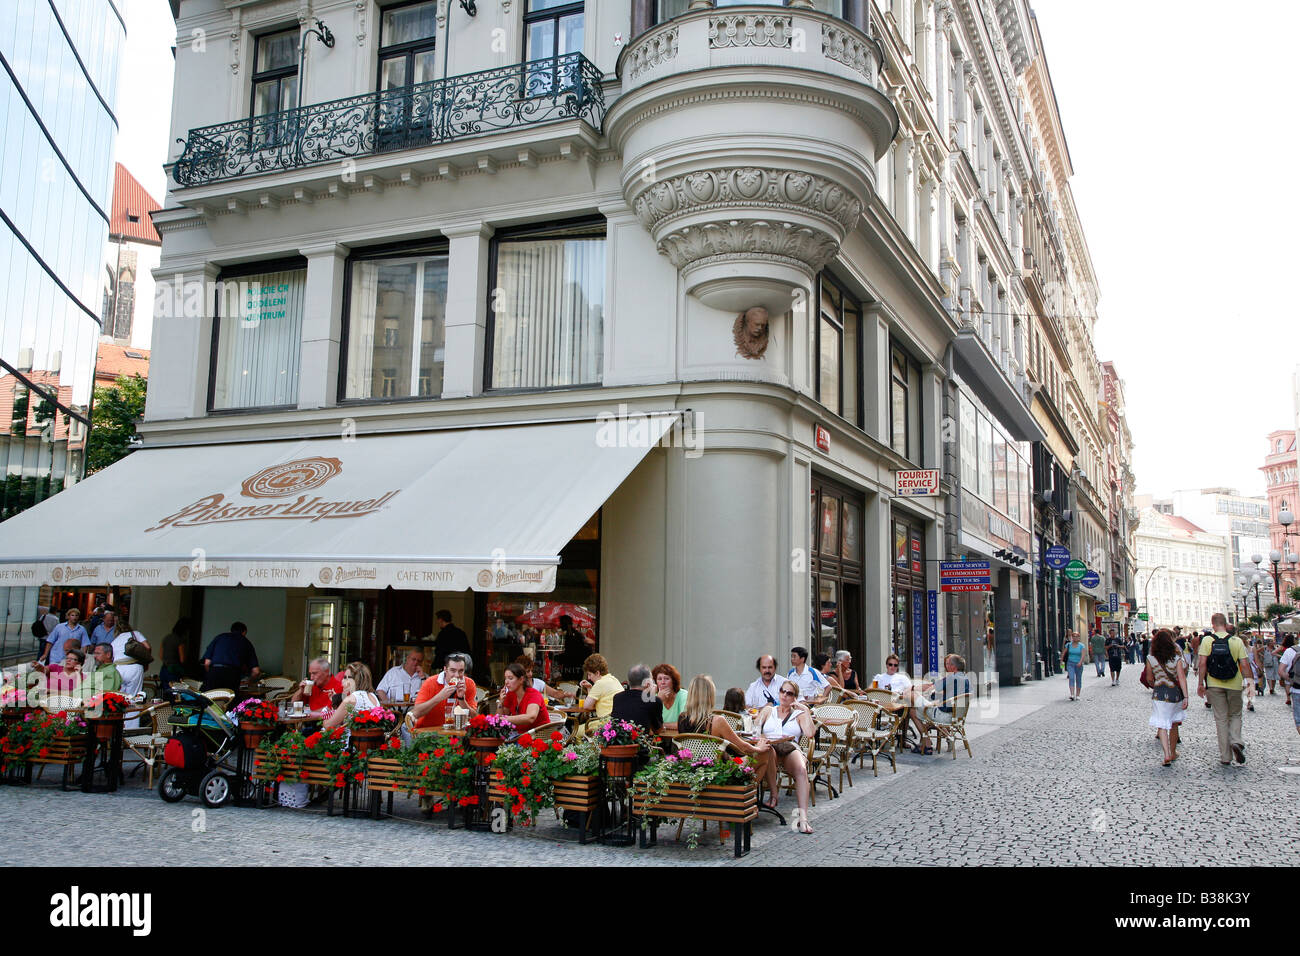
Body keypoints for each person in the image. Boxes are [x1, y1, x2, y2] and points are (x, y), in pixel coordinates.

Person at [675, 674, 770, 780]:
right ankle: (747, 792)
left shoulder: (681, 718)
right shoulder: (717, 721)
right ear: (710, 696)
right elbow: (742, 747)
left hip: (693, 770)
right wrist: (759, 748)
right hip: (719, 772)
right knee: (765, 753)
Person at [755, 679, 815, 833]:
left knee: (801, 770)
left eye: (789, 693)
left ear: (794, 697)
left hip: (790, 746)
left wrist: (806, 710)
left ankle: (803, 819)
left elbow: (809, 733)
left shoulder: (799, 714)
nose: (785, 695)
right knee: (767, 751)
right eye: (783, 691)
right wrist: (762, 735)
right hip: (770, 747)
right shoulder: (769, 710)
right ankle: (774, 795)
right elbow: (755, 728)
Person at [1197, 613, 1250, 766]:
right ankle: (1236, 740)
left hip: (1214, 684)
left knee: (1221, 719)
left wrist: (1201, 683)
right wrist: (1250, 681)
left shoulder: (1207, 640)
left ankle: (1226, 757)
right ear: (1226, 624)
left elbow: (1202, 664)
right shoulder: (1236, 641)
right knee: (1235, 714)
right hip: (1234, 683)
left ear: (1213, 624)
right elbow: (1245, 664)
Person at [908, 654, 971, 751]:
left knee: (912, 704)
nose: (946, 666)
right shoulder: (965, 679)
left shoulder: (951, 677)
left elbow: (932, 687)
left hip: (944, 716)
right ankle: (934, 739)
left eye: (948, 664)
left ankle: (927, 745)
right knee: (921, 711)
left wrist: (913, 688)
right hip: (957, 717)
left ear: (953, 666)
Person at [1144, 629, 1188, 767]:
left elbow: (1149, 678)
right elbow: (1182, 678)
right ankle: (1173, 752)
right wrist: (1186, 696)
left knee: (1162, 724)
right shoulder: (1176, 659)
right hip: (1174, 694)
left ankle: (1166, 753)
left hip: (1159, 694)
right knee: (1174, 724)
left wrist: (1156, 684)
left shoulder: (1151, 659)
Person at [411, 653, 478, 730]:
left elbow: (474, 718)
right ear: (445, 669)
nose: (457, 675)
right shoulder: (430, 682)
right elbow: (416, 713)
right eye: (453, 670)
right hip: (429, 732)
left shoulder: (469, 683)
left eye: (461, 671)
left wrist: (461, 699)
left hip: (457, 733)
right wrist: (439, 697)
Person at [110, 611, 149, 727]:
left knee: (120, 698)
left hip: (118, 669)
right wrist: (146, 662)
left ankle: (119, 728)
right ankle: (131, 729)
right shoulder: (135, 634)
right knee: (134, 699)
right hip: (134, 667)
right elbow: (147, 647)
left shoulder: (114, 641)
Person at [200, 622, 260, 692]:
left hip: (214, 672)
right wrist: (248, 681)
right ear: (244, 632)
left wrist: (211, 674)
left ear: (231, 630)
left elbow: (207, 663)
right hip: (233, 675)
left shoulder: (219, 637)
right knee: (230, 700)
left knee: (208, 698)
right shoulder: (246, 642)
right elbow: (256, 671)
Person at [323, 664, 380, 731]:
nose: (342, 681)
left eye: (345, 678)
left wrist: (324, 721)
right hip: (371, 739)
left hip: (350, 739)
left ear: (355, 679)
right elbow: (356, 707)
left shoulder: (350, 699)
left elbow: (329, 725)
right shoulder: (373, 696)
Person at [497, 661, 551, 732]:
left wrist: (504, 719)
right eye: (505, 678)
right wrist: (500, 703)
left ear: (521, 679)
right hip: (519, 735)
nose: (506, 682)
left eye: (510, 678)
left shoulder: (533, 694)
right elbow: (500, 718)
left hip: (539, 736)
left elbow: (530, 718)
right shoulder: (511, 694)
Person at [609, 664, 663, 731]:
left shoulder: (617, 698)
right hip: (641, 741)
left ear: (628, 681)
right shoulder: (654, 701)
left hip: (619, 740)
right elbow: (657, 730)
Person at [577, 654, 623, 724]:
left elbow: (587, 706)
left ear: (597, 673)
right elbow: (592, 704)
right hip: (618, 723)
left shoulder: (600, 683)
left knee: (576, 730)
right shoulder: (614, 679)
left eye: (589, 674)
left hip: (605, 724)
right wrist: (589, 688)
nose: (588, 678)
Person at [557, 614, 595, 681]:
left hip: (573, 667)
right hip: (576, 667)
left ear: (565, 624)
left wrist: (559, 657)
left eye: (561, 623)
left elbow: (572, 653)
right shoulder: (574, 634)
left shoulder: (572, 636)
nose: (560, 625)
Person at [651, 663, 685, 728]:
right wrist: (658, 701)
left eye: (666, 679)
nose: (663, 682)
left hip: (678, 737)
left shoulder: (683, 695)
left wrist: (662, 726)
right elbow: (649, 723)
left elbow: (683, 724)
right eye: (659, 679)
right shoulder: (653, 697)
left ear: (673, 681)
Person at [159, 617, 190, 687]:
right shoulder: (180, 640)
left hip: (164, 669)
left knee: (165, 691)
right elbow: (182, 659)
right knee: (175, 693)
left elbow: (160, 655)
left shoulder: (166, 638)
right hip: (174, 671)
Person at [1062, 631, 1087, 701]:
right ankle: (1072, 694)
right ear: (1072, 637)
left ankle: (1078, 695)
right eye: (1074, 636)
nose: (1075, 638)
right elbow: (1064, 652)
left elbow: (1083, 655)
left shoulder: (1081, 646)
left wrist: (1080, 662)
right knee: (1071, 678)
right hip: (1070, 663)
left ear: (1079, 638)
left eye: (1076, 636)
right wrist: (1061, 661)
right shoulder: (1069, 645)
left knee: (1078, 679)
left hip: (1078, 664)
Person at [1282, 636, 1297, 707]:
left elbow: (1280, 670)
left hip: (1289, 671)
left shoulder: (1288, 650)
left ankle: (1288, 698)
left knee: (1288, 684)